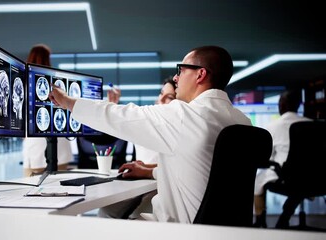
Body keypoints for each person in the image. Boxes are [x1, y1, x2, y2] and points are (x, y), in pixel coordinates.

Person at [49, 45, 252, 223]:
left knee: (108, 215)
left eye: (181, 70)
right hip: (225, 229)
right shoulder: (241, 120)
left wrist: (67, 101)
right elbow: (206, 175)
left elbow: (120, 116)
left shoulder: (184, 116)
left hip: (182, 230)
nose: (176, 77)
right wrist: (151, 171)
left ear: (200, 74)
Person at [97, 76, 177, 219]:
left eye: (169, 97)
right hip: (141, 182)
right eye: (161, 93)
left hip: (162, 186)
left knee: (137, 216)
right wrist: (113, 107)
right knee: (107, 211)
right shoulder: (148, 119)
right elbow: (113, 130)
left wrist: (148, 169)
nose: (161, 99)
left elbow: (179, 164)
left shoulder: (180, 127)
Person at [253, 89, 312, 228]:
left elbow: (264, 156)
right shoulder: (311, 124)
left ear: (282, 105)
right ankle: (285, 217)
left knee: (257, 182)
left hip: (285, 176)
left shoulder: (273, 126)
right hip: (312, 177)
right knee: (300, 185)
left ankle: (261, 221)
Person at [22, 44, 73, 177]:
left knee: (33, 192)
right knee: (60, 189)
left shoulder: (23, 83)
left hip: (36, 147)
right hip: (60, 147)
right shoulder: (57, 84)